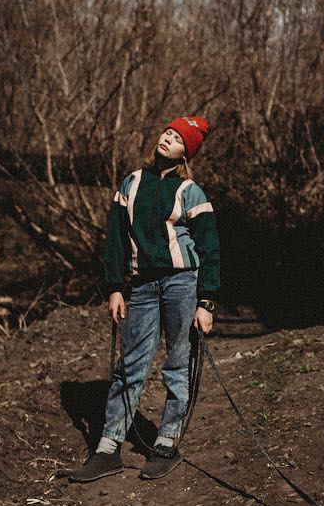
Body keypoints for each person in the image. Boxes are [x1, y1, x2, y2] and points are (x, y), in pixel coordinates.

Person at [68, 117, 220, 483]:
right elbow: (116, 239)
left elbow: (210, 247)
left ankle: (166, 442)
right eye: (166, 133)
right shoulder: (132, 182)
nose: (168, 139)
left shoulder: (190, 190)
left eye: (177, 138)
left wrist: (207, 302)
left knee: (178, 364)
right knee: (130, 365)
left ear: (187, 152)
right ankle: (108, 447)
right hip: (142, 286)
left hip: (183, 283)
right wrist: (115, 287)